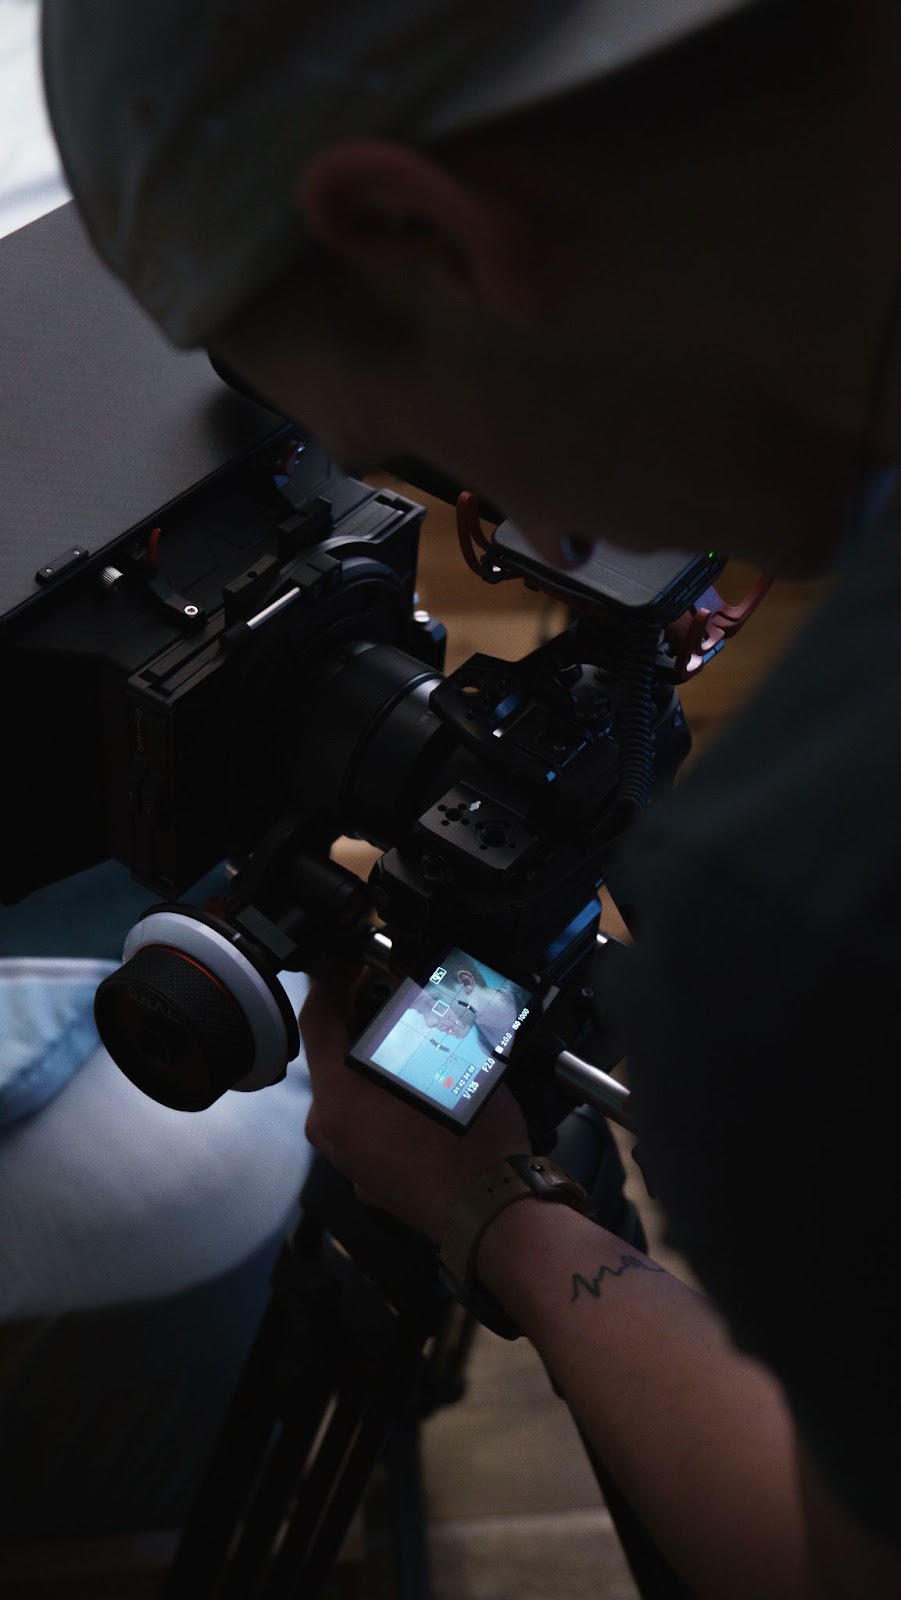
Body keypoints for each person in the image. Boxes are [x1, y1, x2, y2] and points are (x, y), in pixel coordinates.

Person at [37, 0, 901, 1594]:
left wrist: (492, 1208)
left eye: (433, 465)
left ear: (417, 233)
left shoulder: (801, 907)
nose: (527, 533)